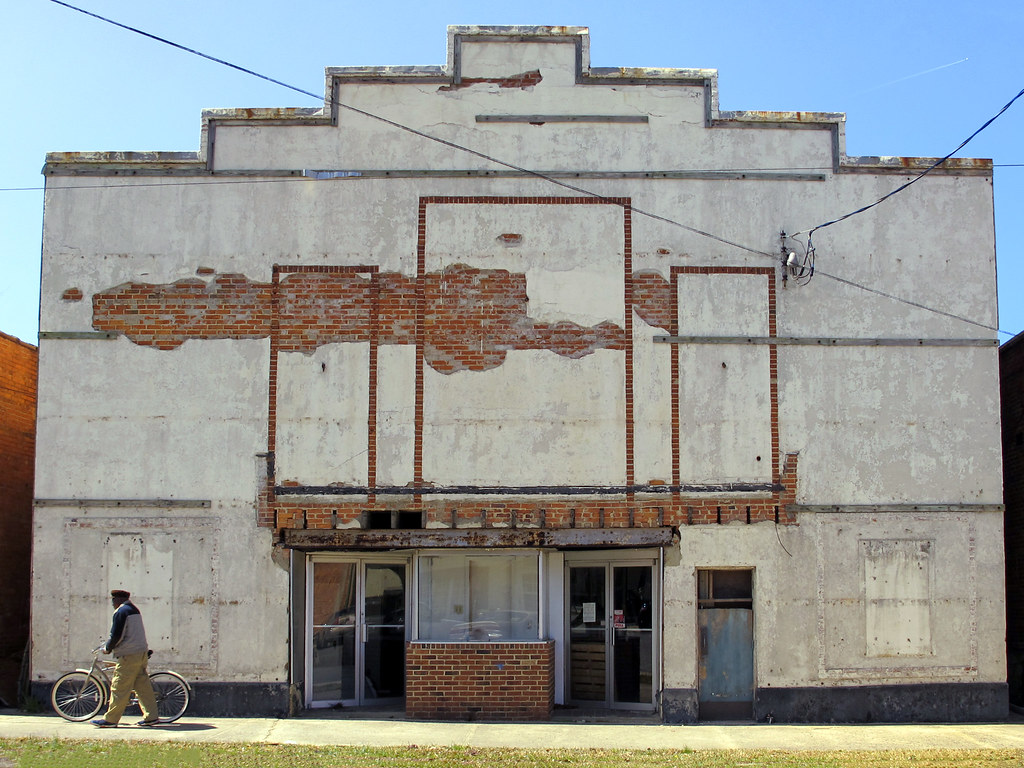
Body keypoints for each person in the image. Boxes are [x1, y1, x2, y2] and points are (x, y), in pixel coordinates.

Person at [90, 589, 160, 727]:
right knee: (142, 686)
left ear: (117, 600)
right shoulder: (134, 610)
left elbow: (117, 635)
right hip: (141, 652)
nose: (112, 603)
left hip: (129, 655)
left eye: (113, 600)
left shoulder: (121, 612)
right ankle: (151, 716)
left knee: (119, 687)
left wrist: (108, 648)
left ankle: (110, 719)